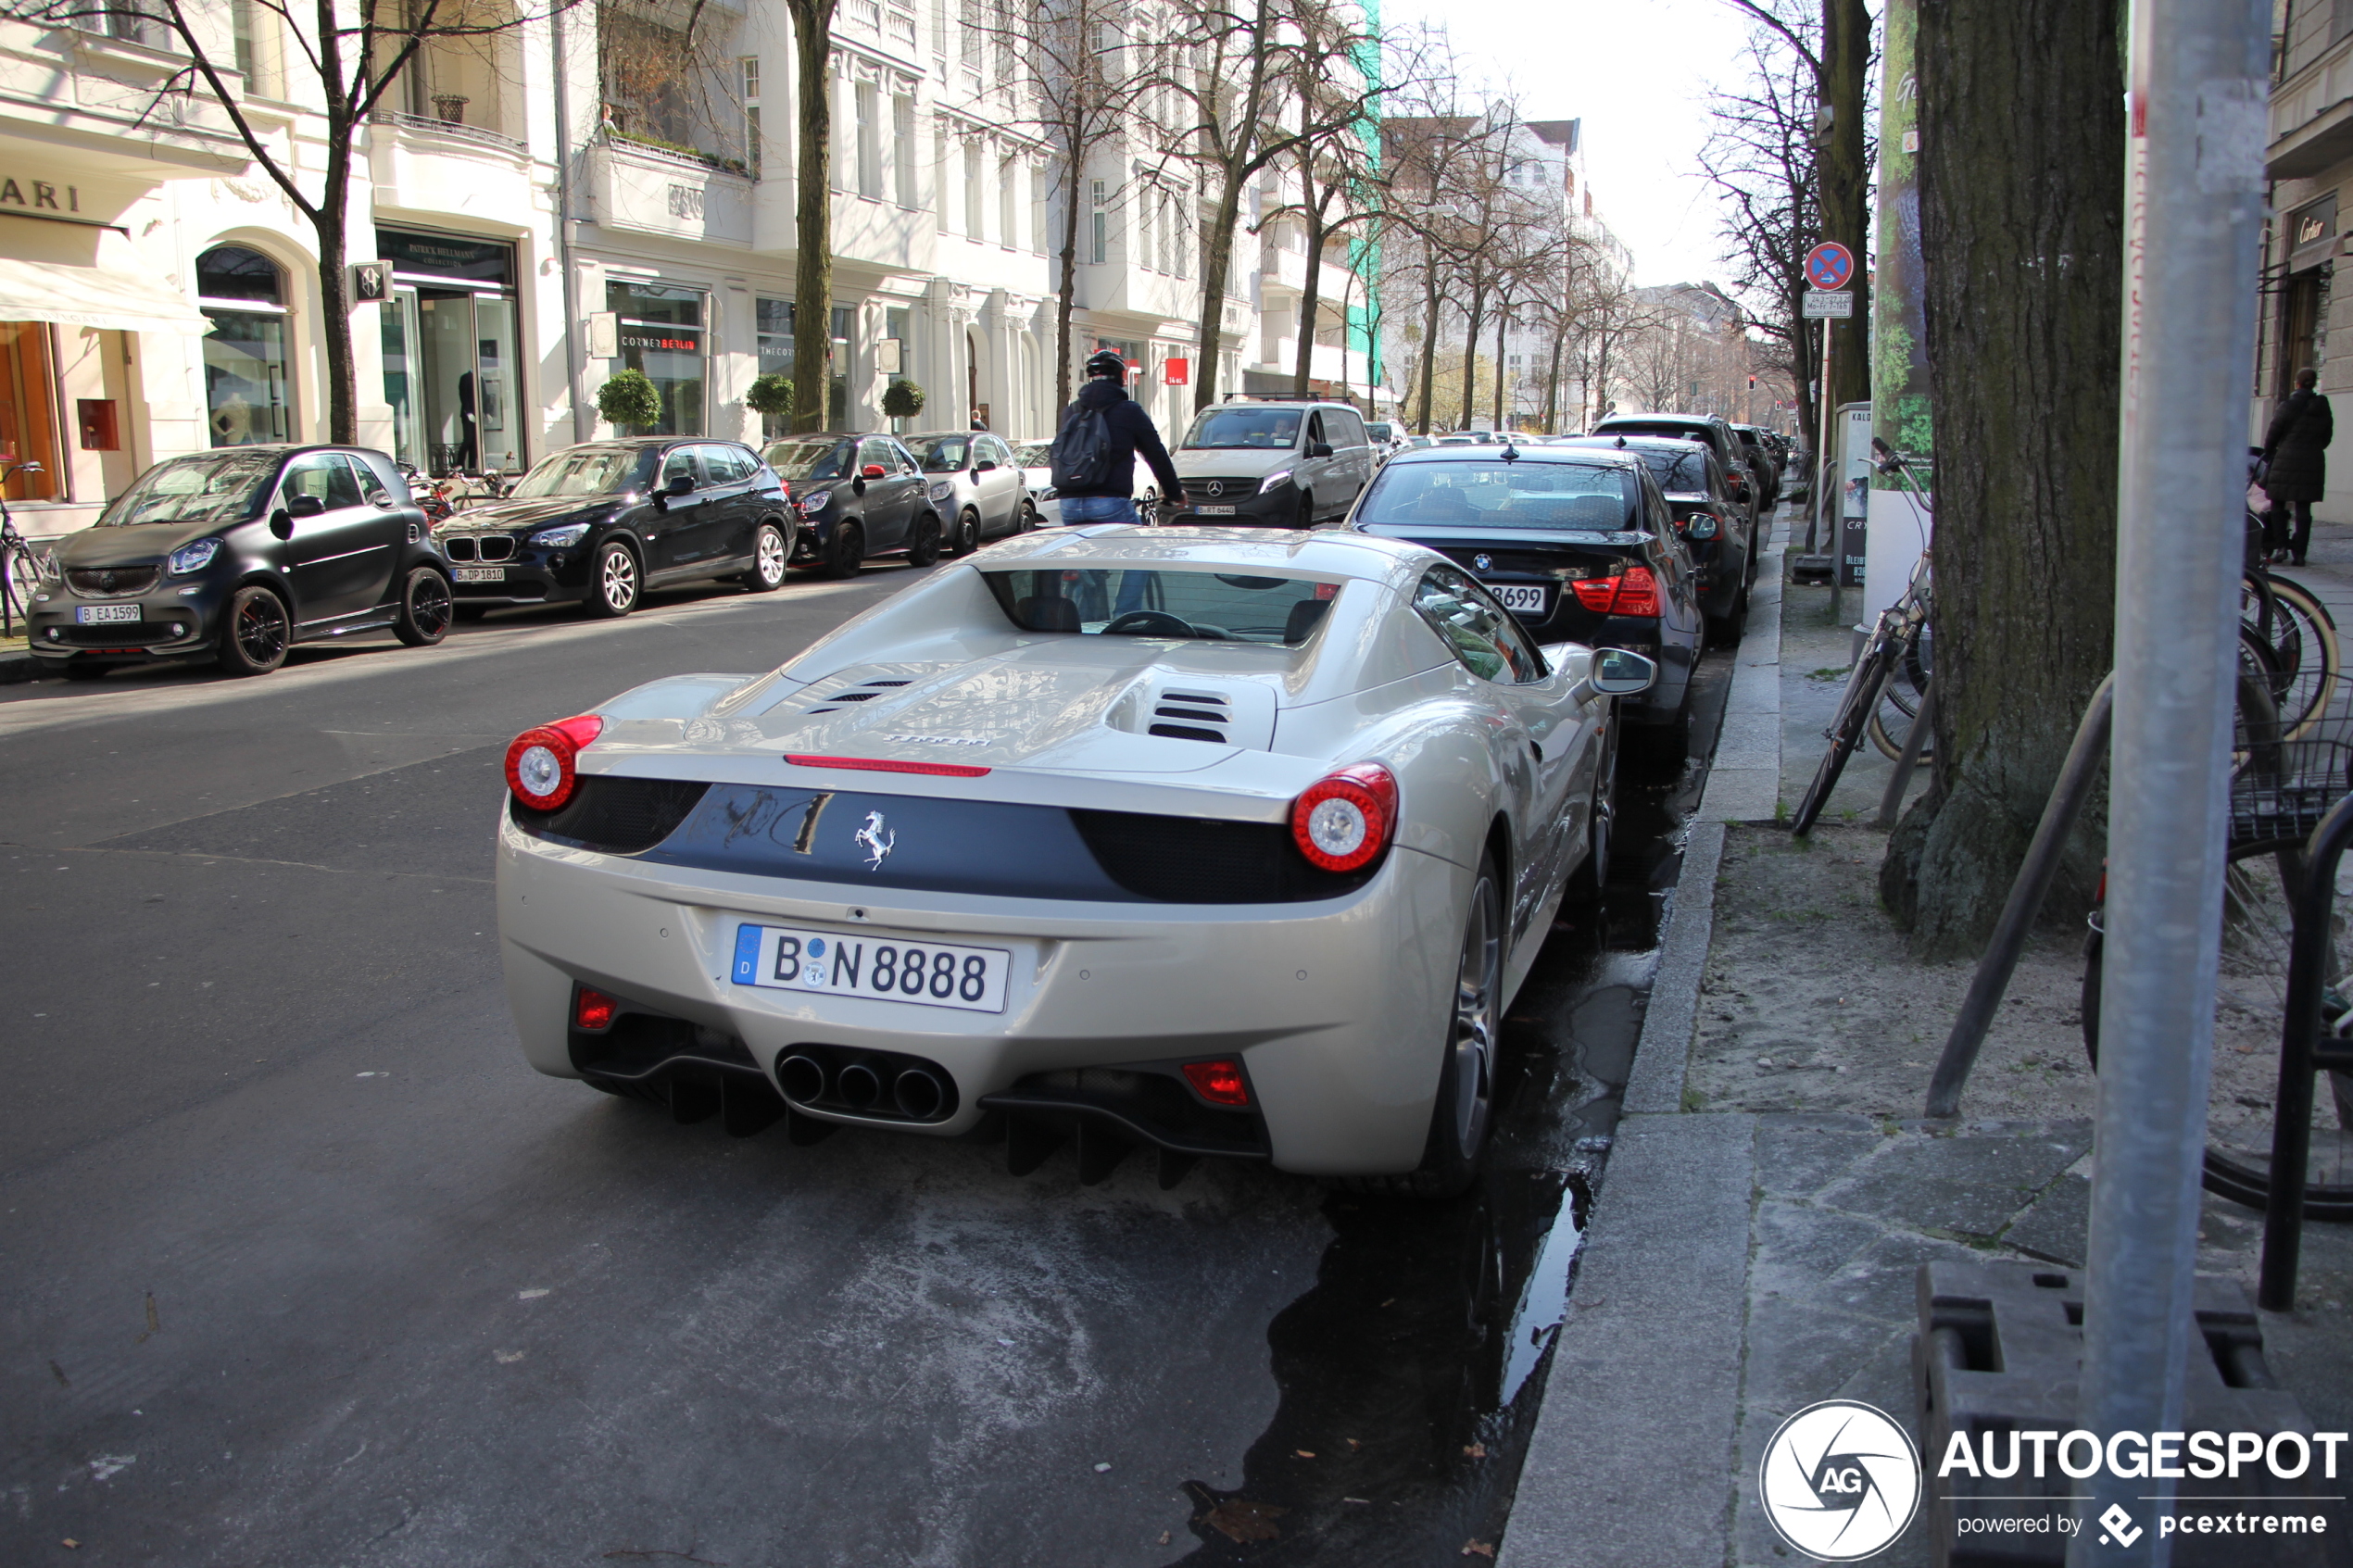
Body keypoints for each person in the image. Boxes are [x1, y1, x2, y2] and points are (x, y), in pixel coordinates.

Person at [1051, 348, 1184, 526]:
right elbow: (1156, 453)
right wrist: (1174, 493)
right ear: (1119, 379)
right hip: (1109, 501)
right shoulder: (1129, 411)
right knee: (1138, 550)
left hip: (1069, 505)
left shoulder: (1071, 411)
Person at [2261, 366, 2334, 566]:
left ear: (2297, 384)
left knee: (2277, 503)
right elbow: (2327, 437)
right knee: (2304, 507)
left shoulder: (2287, 406)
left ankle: (2282, 546)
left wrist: (2269, 452)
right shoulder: (2322, 406)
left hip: (2285, 460)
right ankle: (2300, 554)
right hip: (2312, 462)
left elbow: (2272, 435)